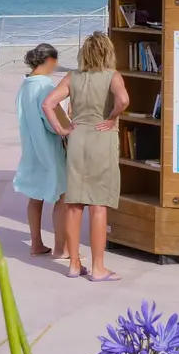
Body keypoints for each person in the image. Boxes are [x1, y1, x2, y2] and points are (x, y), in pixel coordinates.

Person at [45, 32, 128, 281]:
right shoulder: (112, 76)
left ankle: (73, 264)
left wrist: (62, 129)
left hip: (77, 138)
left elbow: (48, 103)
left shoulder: (73, 77)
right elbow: (123, 99)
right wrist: (112, 116)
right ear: (107, 52)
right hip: (102, 139)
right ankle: (98, 267)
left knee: (74, 203)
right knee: (98, 205)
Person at [13, 43, 69, 257]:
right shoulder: (45, 86)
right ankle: (60, 247)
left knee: (35, 195)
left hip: (30, 145)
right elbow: (51, 120)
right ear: (50, 61)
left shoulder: (25, 84)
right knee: (62, 195)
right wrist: (66, 129)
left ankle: (36, 242)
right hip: (48, 146)